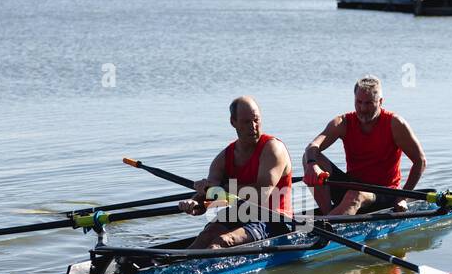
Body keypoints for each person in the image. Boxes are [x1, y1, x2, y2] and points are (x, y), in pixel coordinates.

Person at [178, 96, 294, 248]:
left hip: (274, 219)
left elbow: (262, 194)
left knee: (222, 242)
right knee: (205, 237)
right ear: (233, 122)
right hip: (240, 213)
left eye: (256, 120)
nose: (253, 126)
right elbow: (211, 192)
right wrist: (196, 202)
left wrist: (222, 188)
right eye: (247, 122)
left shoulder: (273, 149)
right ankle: (171, 266)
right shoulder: (223, 158)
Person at [302, 75, 427, 215]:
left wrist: (403, 197)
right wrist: (312, 165)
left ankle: (328, 223)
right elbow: (313, 146)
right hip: (352, 186)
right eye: (359, 102)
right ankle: (327, 215)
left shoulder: (395, 124)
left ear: (380, 101)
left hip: (384, 192)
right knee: (310, 157)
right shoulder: (343, 122)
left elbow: (420, 161)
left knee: (355, 195)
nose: (362, 108)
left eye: (368, 103)